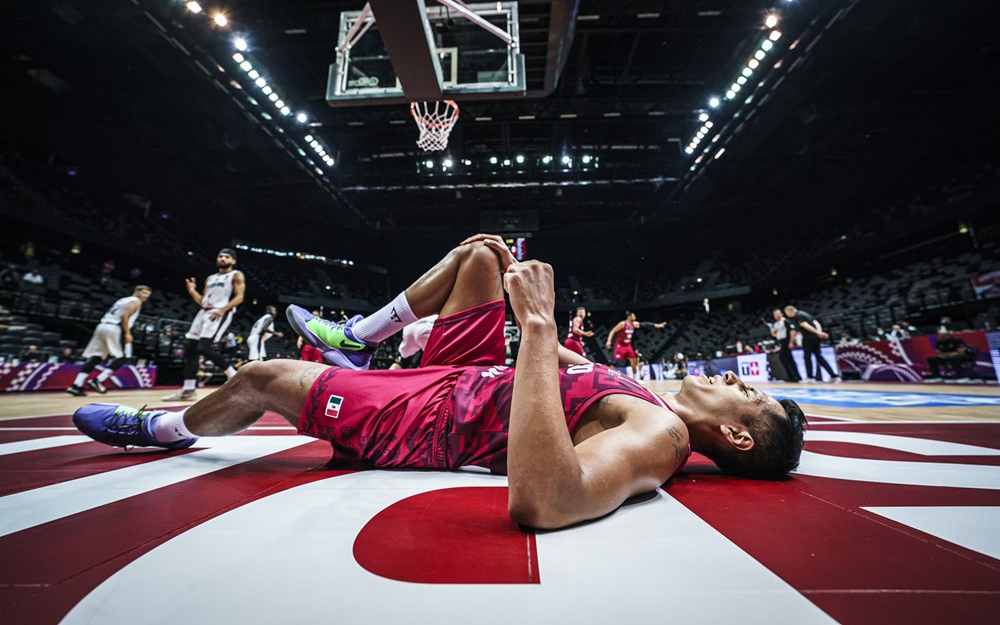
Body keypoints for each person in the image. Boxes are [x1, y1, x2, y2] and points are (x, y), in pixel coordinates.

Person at [72, 235, 806, 530]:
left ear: (736, 433)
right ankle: (357, 337)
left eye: (752, 396)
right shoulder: (649, 397)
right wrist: (551, 352)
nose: (743, 386)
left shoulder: (663, 434)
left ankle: (163, 429)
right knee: (483, 253)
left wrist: (543, 333)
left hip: (436, 415)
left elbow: (548, 502)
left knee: (261, 375)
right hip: (470, 373)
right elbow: (568, 386)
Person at [161, 249, 245, 401]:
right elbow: (203, 301)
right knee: (191, 350)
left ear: (233, 261)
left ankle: (235, 377)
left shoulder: (236, 275)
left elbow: (239, 297)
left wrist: (222, 310)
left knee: (204, 348)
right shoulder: (211, 278)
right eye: (220, 256)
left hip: (220, 312)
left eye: (227, 257)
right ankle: (188, 390)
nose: (223, 259)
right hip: (203, 312)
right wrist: (193, 291)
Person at [66, 286, 152, 396]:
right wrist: (127, 333)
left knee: (96, 356)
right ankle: (98, 380)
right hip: (115, 328)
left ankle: (76, 385)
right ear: (136, 291)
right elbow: (124, 316)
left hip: (102, 326)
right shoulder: (135, 301)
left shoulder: (122, 300)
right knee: (125, 357)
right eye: (144, 293)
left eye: (147, 295)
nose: (145, 296)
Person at [784, 305, 839, 383]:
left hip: (808, 338)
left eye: (787, 313)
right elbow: (816, 322)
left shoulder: (797, 316)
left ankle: (810, 377)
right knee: (819, 357)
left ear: (790, 311)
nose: (787, 315)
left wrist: (818, 332)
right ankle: (834, 376)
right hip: (816, 338)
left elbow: (805, 325)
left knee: (807, 357)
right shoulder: (804, 313)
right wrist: (819, 332)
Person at [605, 311, 666, 378]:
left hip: (627, 345)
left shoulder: (634, 324)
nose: (635, 317)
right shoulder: (623, 324)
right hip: (620, 345)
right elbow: (612, 331)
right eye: (633, 316)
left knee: (633, 361)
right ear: (629, 316)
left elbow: (645, 324)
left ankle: (635, 377)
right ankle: (609, 377)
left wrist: (657, 325)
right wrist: (609, 341)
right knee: (615, 362)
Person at [768, 308, 800, 382]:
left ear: (781, 314)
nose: (776, 315)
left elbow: (792, 331)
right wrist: (773, 331)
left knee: (786, 358)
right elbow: (774, 335)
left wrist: (791, 342)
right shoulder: (776, 324)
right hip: (781, 342)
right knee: (787, 359)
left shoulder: (785, 321)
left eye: (777, 313)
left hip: (787, 341)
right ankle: (792, 376)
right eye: (775, 314)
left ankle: (795, 376)